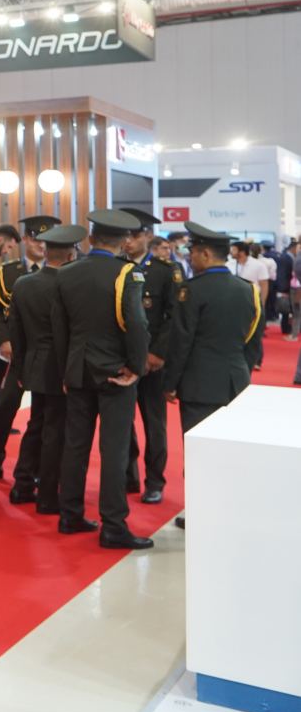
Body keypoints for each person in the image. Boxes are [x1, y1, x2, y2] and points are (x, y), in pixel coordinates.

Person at [54, 209, 153, 550]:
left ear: (92, 239)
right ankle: (113, 525)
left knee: (75, 446)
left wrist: (66, 370)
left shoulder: (66, 273)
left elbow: (60, 328)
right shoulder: (128, 273)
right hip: (115, 372)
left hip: (78, 370)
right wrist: (136, 367)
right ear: (124, 242)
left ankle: (69, 515)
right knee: (114, 450)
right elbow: (136, 324)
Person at [164, 222, 263, 529]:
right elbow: (253, 340)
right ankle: (231, 508)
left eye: (193, 252)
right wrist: (241, 370)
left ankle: (202, 514)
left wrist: (170, 383)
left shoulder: (192, 290)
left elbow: (181, 342)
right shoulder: (247, 289)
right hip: (236, 381)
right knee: (230, 449)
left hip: (199, 384)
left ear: (205, 254)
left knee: (199, 454)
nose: (190, 257)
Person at [7, 222, 85, 515]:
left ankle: (22, 484)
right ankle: (48, 495)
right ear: (70, 255)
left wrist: (20, 369)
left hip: (33, 364)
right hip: (60, 367)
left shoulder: (23, 283)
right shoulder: (69, 285)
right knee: (55, 431)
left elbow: (16, 332)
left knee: (36, 425)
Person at [0, 214, 60, 494]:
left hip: (45, 355)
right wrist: (4, 341)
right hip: (16, 354)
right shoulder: (9, 272)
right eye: (37, 240)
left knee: (41, 415)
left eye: (47, 241)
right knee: (4, 408)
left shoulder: (61, 272)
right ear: (26, 239)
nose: (41, 245)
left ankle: (35, 469)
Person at [118, 210, 180, 506]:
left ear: (147, 236)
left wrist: (157, 353)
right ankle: (128, 475)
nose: (128, 241)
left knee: (154, 425)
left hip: (152, 363)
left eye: (134, 235)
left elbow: (173, 316)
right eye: (125, 236)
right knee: (123, 423)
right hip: (122, 360)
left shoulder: (164, 271)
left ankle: (154, 481)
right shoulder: (116, 268)